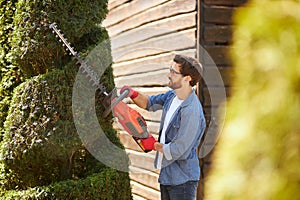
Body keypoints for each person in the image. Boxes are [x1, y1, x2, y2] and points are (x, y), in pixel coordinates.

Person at [121, 54, 206, 200]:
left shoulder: (191, 111)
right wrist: (133, 94)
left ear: (187, 79)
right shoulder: (172, 96)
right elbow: (149, 103)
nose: (169, 75)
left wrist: (154, 145)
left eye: (174, 72)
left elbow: (180, 150)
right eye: (170, 70)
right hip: (168, 175)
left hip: (183, 180)